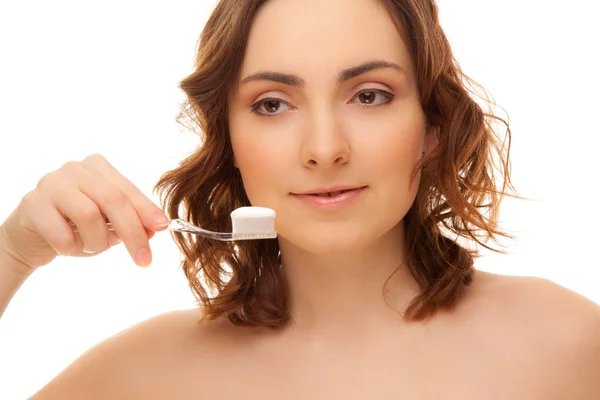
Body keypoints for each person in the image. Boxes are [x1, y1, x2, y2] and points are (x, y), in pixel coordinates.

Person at [1, 0, 599, 398]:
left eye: (369, 95)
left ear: (433, 127)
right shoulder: (142, 376)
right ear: (229, 140)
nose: (323, 149)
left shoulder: (564, 343)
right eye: (272, 104)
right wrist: (12, 254)